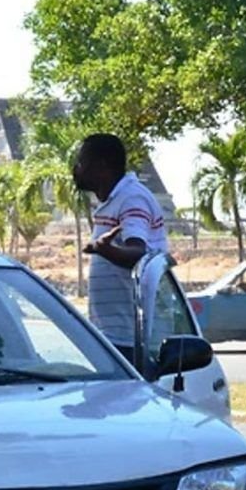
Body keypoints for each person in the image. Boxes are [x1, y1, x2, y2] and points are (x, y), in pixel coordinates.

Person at [75, 133, 168, 364]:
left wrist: (104, 250)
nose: (77, 169)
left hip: (131, 339)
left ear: (101, 166)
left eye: (82, 162)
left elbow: (139, 254)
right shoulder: (114, 201)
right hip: (112, 335)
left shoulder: (131, 199)